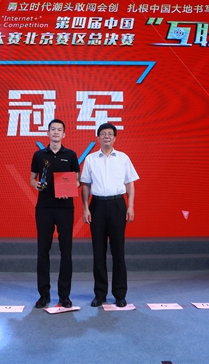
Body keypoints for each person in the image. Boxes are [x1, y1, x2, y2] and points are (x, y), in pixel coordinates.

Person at [81, 122, 139, 308]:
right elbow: (85, 185)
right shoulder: (90, 159)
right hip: (97, 205)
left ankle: (120, 294)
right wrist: (85, 208)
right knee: (98, 253)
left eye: (110, 134)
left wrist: (130, 206)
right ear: (98, 137)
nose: (106, 136)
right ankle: (100, 294)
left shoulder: (123, 158)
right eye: (103, 134)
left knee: (118, 252)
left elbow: (130, 183)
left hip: (117, 205)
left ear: (115, 138)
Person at [30, 119, 80, 309]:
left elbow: (77, 181)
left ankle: (64, 296)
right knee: (43, 250)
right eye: (53, 129)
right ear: (48, 133)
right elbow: (32, 179)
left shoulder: (71, 155)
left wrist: (70, 187)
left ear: (64, 134)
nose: (56, 132)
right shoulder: (39, 155)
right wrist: (36, 184)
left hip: (65, 208)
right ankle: (44, 295)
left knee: (66, 251)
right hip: (44, 207)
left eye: (59, 130)